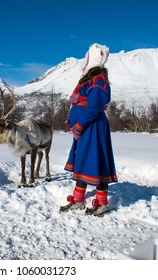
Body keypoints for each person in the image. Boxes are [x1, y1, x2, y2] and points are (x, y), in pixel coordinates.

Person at [60, 43, 118, 216]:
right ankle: (78, 200)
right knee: (82, 161)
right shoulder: (90, 79)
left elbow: (93, 108)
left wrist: (78, 125)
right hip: (85, 127)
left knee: (96, 161)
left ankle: (102, 203)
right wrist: (73, 117)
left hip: (92, 127)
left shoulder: (99, 81)